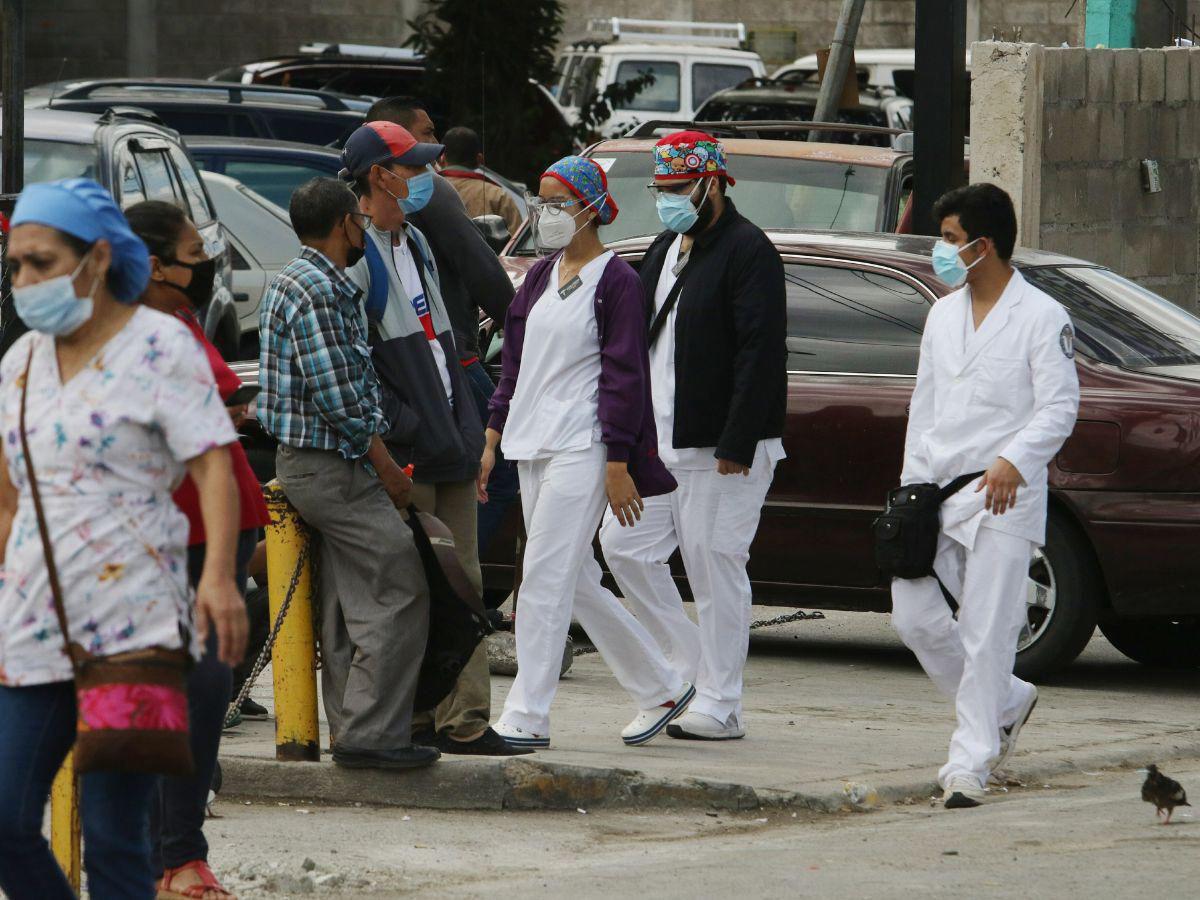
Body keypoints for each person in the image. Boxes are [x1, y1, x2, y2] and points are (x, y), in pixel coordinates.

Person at [0, 179, 247, 899]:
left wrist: (219, 576)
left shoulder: (161, 346)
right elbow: (9, 499)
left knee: (114, 839)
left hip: (134, 627)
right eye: (15, 265)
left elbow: (213, 466)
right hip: (31, 627)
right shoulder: (20, 364)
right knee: (8, 821)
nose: (23, 282)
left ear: (97, 258)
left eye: (40, 263)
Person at [480, 155, 693, 749]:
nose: (545, 212)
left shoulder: (617, 281)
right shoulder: (538, 277)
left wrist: (618, 462)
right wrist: (493, 435)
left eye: (556, 201)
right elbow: (514, 365)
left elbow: (626, 375)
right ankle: (660, 688)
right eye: (540, 199)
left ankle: (527, 715)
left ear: (590, 208)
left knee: (544, 579)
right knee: (572, 580)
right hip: (530, 442)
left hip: (585, 446)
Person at [889, 183, 1079, 809]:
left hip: (1004, 495)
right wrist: (911, 488)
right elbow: (926, 406)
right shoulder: (943, 313)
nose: (941, 251)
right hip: (938, 490)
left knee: (987, 632)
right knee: (914, 616)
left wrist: (1013, 461)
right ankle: (1007, 701)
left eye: (948, 239)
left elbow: (1058, 407)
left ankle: (970, 761)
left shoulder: (1042, 317)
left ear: (983, 244)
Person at [599, 131, 787, 742]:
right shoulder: (663, 247)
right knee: (622, 547)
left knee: (715, 568)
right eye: (662, 190)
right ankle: (690, 669)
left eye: (679, 189)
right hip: (660, 445)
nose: (669, 200)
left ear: (710, 184)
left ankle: (722, 703)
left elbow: (760, 352)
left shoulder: (749, 250)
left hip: (722, 448)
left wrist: (737, 440)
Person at [343, 121, 518, 757]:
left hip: (451, 441)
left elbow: (445, 343)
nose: (423, 178)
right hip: (407, 453)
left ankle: (465, 721)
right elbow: (356, 366)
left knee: (463, 581)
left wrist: (468, 432)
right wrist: (406, 431)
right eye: (411, 168)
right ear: (377, 177)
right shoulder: (354, 256)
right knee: (413, 587)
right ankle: (413, 719)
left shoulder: (415, 241)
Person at [258, 176, 438, 772]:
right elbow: (340, 401)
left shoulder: (296, 278)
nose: (363, 230)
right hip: (331, 467)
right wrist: (388, 470)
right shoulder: (318, 289)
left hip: (316, 466)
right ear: (343, 225)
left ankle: (354, 727)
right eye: (359, 221)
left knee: (344, 604)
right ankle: (372, 734)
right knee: (399, 586)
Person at [126, 199, 272, 900]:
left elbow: (218, 396)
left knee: (200, 686)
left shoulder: (176, 316)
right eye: (196, 249)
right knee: (189, 686)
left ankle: (176, 852)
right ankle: (175, 857)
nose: (208, 258)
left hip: (214, 527)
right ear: (154, 266)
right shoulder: (133, 329)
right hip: (175, 532)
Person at [364, 97, 518, 557]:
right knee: (497, 472)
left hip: (412, 375)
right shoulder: (428, 193)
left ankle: (452, 582)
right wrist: (528, 337)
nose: (435, 148)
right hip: (452, 365)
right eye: (426, 134)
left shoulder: (395, 228)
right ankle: (454, 581)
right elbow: (486, 274)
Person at [440, 125, 524, 237]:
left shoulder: (423, 190)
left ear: (442, 158)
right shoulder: (498, 195)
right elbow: (516, 242)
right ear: (480, 159)